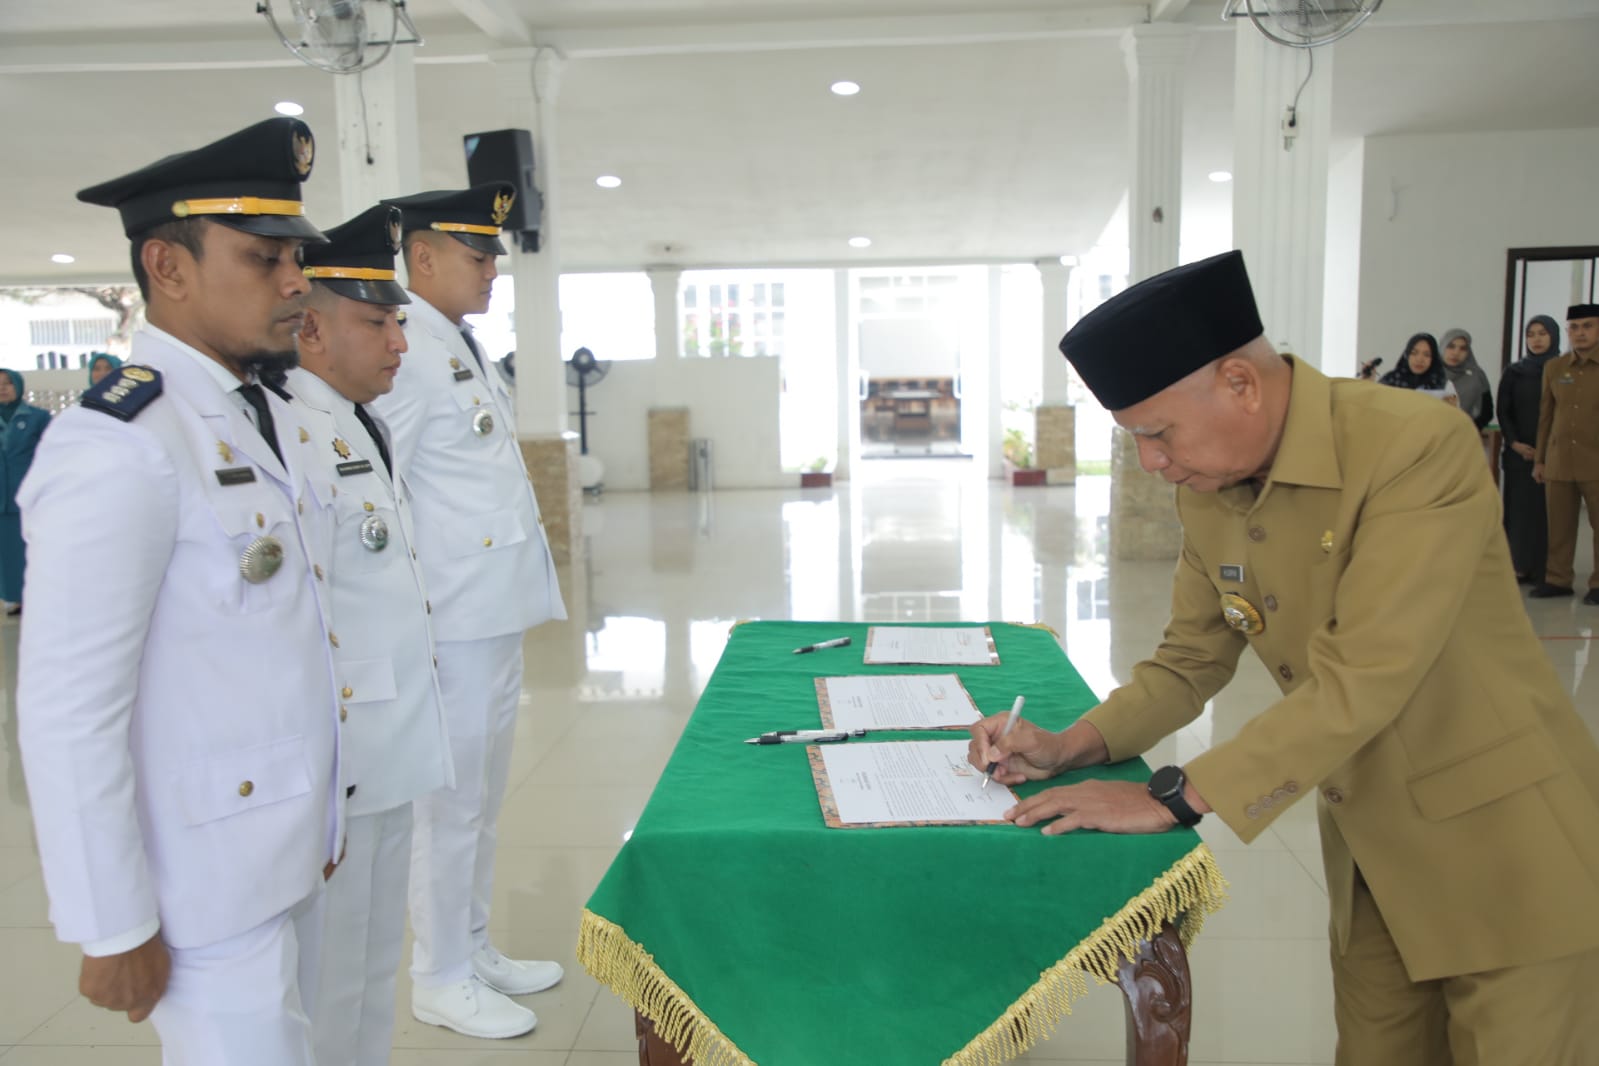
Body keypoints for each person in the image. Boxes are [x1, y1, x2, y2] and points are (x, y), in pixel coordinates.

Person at [969, 251, 1599, 1064]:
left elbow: (1365, 670)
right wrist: (1068, 744)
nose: (1152, 462)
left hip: (1506, 851)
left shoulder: (1412, 445)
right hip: (1373, 854)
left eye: (1157, 433)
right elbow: (1187, 661)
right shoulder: (1208, 493)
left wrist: (1177, 797)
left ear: (1240, 383)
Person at [16, 118, 346, 1065]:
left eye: (295, 258)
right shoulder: (121, 444)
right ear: (168, 267)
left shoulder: (260, 412)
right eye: (264, 259)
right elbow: (69, 706)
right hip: (200, 881)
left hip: (283, 845)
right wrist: (110, 922)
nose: (295, 282)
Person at [374, 183, 567, 1039]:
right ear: (421, 257)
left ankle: (473, 945)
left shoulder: (455, 343)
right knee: (449, 807)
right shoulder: (408, 349)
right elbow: (383, 493)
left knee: (480, 800)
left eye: (493, 256)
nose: (492, 270)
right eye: (476, 254)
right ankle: (439, 975)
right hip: (449, 619)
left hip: (488, 611)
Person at [288, 203, 455, 1066]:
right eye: (376, 323)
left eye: (399, 322)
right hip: (340, 762)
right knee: (327, 983)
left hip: (390, 745)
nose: (398, 341)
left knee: (368, 971)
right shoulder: (293, 433)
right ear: (311, 329)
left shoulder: (362, 421)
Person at [1531, 303, 1599, 602]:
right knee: (1559, 526)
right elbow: (1546, 416)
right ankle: (1557, 579)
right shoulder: (1555, 367)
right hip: (1559, 460)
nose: (1580, 333)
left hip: (1595, 460)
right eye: (1574, 327)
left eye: (1588, 326)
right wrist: (1540, 459)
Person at [1497, 315, 1561, 584]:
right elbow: (1504, 410)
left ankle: (1546, 569)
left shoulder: (1562, 370)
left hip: (1554, 454)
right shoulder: (1515, 372)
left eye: (1542, 333)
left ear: (1554, 336)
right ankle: (1519, 566)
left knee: (1547, 514)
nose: (1536, 339)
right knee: (1519, 512)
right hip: (1518, 454)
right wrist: (1514, 443)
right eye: (1531, 334)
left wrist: (1545, 450)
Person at [0, 369, 51, 614]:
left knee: (33, 548)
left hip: (29, 495)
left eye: (8, 383)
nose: (3, 388)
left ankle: (37, 595)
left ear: (18, 386)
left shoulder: (38, 418)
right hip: (1, 498)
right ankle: (13, 596)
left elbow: (51, 454)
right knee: (6, 552)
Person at [1377, 332, 1458, 405]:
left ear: (1433, 359)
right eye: (1414, 353)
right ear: (1407, 355)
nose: (1419, 359)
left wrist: (1450, 407)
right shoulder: (1391, 379)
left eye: (1426, 355)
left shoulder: (1443, 385)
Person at [1438, 328, 1493, 431]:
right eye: (1451, 346)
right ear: (1442, 347)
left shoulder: (1477, 375)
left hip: (1465, 434)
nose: (1456, 353)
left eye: (1463, 348)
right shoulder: (1430, 374)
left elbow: (1487, 412)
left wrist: (1467, 430)